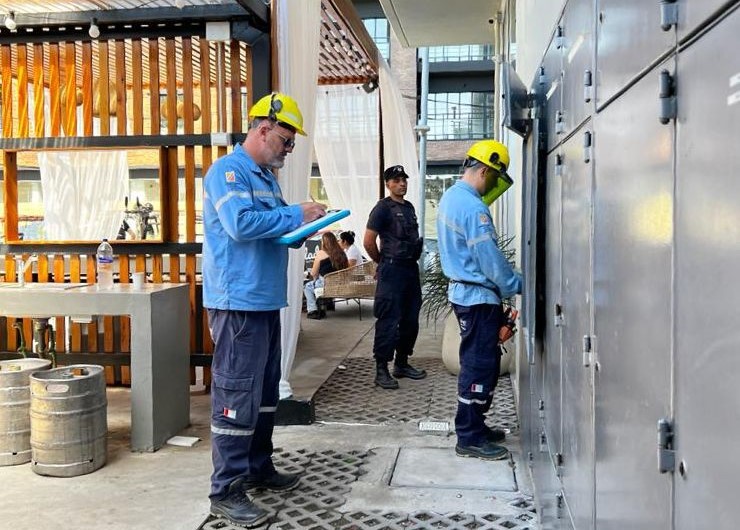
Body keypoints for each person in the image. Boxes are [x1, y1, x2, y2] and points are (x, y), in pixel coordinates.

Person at [202, 92, 327, 528]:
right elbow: (240, 226)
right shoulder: (229, 172)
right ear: (261, 129)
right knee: (237, 395)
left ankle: (259, 467)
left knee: (265, 392)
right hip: (238, 302)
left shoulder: (266, 177)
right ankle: (227, 490)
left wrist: (304, 228)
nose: (288, 151)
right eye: (285, 142)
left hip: (264, 299)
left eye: (291, 145)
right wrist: (296, 214)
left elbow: (272, 235)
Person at [436, 139, 523, 461]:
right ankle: (470, 436)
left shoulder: (452, 197)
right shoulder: (473, 208)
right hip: (478, 298)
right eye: (494, 179)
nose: (492, 186)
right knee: (480, 366)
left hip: (467, 295)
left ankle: (476, 427)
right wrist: (516, 284)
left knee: (478, 363)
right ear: (485, 169)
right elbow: (489, 259)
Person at [363, 164, 427, 390]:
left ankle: (402, 363)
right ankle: (382, 370)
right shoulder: (382, 208)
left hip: (410, 269)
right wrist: (381, 262)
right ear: (388, 184)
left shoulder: (409, 207)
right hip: (391, 270)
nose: (402, 183)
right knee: (388, 320)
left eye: (404, 180)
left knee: (410, 319)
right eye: (397, 180)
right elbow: (368, 241)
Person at [304, 231, 348, 319]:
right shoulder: (342, 253)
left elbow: (313, 273)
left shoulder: (321, 253)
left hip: (325, 285)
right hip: (340, 284)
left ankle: (312, 310)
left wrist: (311, 277)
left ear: (323, 242)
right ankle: (328, 304)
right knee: (317, 283)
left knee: (307, 286)